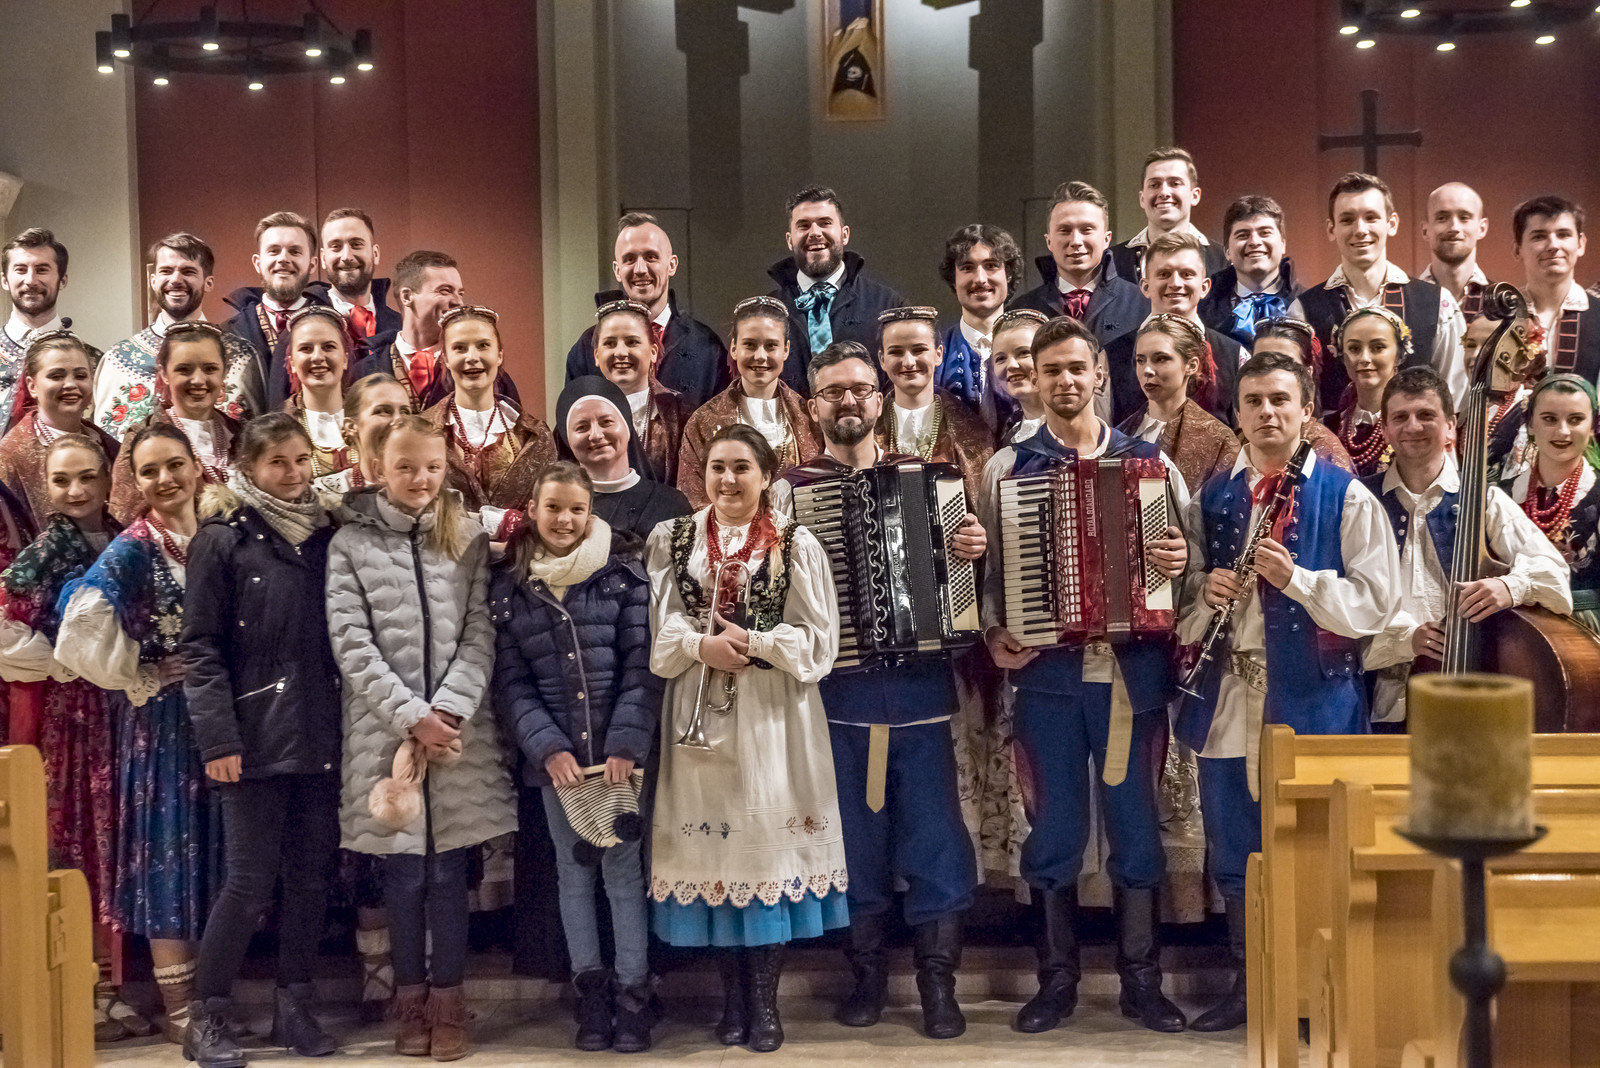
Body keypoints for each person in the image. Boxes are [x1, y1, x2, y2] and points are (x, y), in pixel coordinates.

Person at [977, 316, 1190, 1035]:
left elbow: (1188, 567)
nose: (1066, 381)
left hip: (1133, 676)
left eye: (1077, 368)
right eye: (1052, 370)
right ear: (1033, 381)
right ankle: (1056, 982)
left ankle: (1142, 983)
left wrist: (1176, 563)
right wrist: (994, 630)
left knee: (1136, 830)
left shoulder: (1153, 464)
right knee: (1054, 829)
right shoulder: (1009, 468)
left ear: (1100, 374)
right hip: (1049, 678)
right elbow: (987, 577)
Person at [1177, 350, 1400, 1032]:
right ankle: (1253, 988)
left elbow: (1376, 605)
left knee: (1315, 849)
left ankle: (1316, 993)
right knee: (1237, 848)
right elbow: (1181, 595)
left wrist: (1298, 581)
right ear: (1237, 413)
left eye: (1281, 400)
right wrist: (1205, 592)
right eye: (1254, 401)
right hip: (1229, 696)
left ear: (1307, 411)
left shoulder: (1346, 495)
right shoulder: (1214, 496)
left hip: (1315, 696)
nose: (1267, 412)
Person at [779, 341, 986, 1040]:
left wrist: (969, 555)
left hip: (922, 697)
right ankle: (865, 976)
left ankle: (938, 984)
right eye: (832, 391)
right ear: (814, 405)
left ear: (879, 398)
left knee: (937, 844)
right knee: (854, 847)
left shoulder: (928, 478)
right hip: (838, 703)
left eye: (859, 389)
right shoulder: (790, 490)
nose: (847, 401)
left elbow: (964, 590)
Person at [646, 424, 847, 1054]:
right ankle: (731, 1001)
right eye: (717, 467)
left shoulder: (795, 542)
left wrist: (756, 642)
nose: (728, 480)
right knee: (717, 860)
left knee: (764, 856)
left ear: (766, 476)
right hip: (697, 706)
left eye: (741, 468)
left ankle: (764, 1004)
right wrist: (698, 645)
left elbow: (819, 644)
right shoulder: (673, 539)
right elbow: (660, 633)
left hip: (773, 715)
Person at [326, 414, 517, 1060]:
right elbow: (351, 643)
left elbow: (479, 631)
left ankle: (450, 1002)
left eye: (432, 467)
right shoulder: (350, 543)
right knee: (404, 875)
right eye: (405, 466)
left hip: (457, 734)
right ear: (378, 465)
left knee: (448, 873)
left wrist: (451, 711)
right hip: (387, 733)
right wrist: (412, 717)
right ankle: (410, 1004)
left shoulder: (464, 536)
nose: (420, 478)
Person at [180, 414, 343, 1066]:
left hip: (320, 728)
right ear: (247, 469)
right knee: (248, 883)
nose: (295, 473)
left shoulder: (326, 534)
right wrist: (218, 740)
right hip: (250, 735)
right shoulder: (222, 540)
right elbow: (201, 648)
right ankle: (207, 1015)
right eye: (278, 462)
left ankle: (293, 1005)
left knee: (310, 878)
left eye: (302, 459)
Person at [491, 462, 663, 1053]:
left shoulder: (623, 577)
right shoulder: (512, 587)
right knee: (574, 874)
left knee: (624, 875)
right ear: (532, 512)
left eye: (577, 509)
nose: (564, 519)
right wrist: (547, 748)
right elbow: (511, 684)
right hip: (557, 767)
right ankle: (590, 993)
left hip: (619, 761)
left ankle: (634, 993)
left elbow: (643, 667)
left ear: (592, 514)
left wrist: (625, 743)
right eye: (553, 508)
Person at [56, 423, 214, 1044]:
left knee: (216, 857)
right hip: (163, 726)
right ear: (136, 482)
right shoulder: (133, 548)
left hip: (221, 720)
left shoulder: (216, 532)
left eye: (174, 465)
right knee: (170, 856)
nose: (165, 479)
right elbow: (79, 629)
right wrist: (140, 672)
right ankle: (181, 1010)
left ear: (195, 465)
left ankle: (212, 1000)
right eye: (150, 471)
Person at [0, 435, 133, 1040]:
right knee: (79, 839)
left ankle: (113, 985)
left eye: (87, 477)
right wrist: (62, 662)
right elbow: (6, 632)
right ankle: (79, 986)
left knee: (118, 845)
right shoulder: (44, 553)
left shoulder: (128, 537)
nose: (76, 491)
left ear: (107, 479)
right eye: (62, 480)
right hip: (74, 721)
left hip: (126, 711)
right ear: (46, 487)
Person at [1363, 368, 1570, 729]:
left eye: (1426, 415)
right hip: (1378, 701)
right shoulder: (1359, 500)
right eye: (1400, 417)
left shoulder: (1484, 500)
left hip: (1473, 690)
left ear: (1449, 427)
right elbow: (1339, 604)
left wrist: (1509, 586)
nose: (1413, 426)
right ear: (1385, 429)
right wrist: (1405, 640)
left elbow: (1556, 574)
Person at [1292, 172, 1464, 412]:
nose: (1360, 229)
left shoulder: (1438, 304)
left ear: (1391, 224)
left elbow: (1456, 402)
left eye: (1371, 217)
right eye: (1347, 220)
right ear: (1331, 229)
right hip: (1332, 437)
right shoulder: (1302, 311)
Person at [95, 232, 264, 438]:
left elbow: (260, 439)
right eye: (166, 271)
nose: (175, 279)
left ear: (208, 282)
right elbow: (105, 445)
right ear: (153, 281)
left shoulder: (243, 356)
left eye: (188, 271)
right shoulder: (117, 360)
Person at [565, 212, 731, 409]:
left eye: (651, 257)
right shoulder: (588, 346)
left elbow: (722, 423)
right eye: (629, 259)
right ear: (617, 270)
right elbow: (571, 422)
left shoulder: (707, 347)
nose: (640, 269)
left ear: (672, 265)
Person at [677, 296, 823, 508]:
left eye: (771, 346)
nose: (760, 356)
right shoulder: (703, 421)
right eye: (750, 345)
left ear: (786, 350)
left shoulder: (809, 418)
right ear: (734, 348)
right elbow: (693, 498)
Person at [425, 305, 557, 536]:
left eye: (483, 345)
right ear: (445, 359)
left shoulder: (535, 436)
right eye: (459, 348)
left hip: (519, 555)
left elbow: (551, 509)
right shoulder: (422, 430)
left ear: (499, 355)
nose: (472, 357)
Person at [767, 185, 906, 392]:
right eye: (803, 226)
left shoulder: (888, 306)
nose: (815, 233)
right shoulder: (768, 313)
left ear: (844, 234)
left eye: (825, 223)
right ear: (790, 240)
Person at [1103, 232, 1244, 426]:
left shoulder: (1235, 356)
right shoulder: (1111, 356)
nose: (1176, 283)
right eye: (1164, 274)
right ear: (1145, 287)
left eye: (1187, 274)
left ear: (1204, 287)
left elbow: (1245, 434)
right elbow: (1101, 433)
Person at [109, 321, 241, 524]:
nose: (198, 380)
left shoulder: (245, 435)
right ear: (164, 373)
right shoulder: (141, 439)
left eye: (210, 369)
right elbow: (125, 519)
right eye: (184, 369)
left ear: (225, 371)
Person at [1500, 374, 1600, 636]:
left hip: (1581, 635)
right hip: (1508, 633)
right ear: (1530, 424)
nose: (1563, 431)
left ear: (1592, 426)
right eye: (1549, 419)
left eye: (1575, 419)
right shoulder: (1502, 495)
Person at [1010, 181, 1146, 358]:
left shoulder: (1141, 304)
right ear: (1048, 241)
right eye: (1064, 230)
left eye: (1086, 230)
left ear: (1106, 239)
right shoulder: (1023, 311)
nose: (1075, 241)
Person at [0, 330, 119, 525]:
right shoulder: (10, 458)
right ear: (32, 386)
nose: (70, 384)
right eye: (56, 376)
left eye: (80, 375)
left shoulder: (110, 447)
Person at [875, 306, 994, 501]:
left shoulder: (974, 432)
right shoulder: (868, 431)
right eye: (896, 352)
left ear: (939, 354)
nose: (908, 362)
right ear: (882, 360)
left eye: (919, 350)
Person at [1116, 315, 1239, 495]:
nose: (1147, 370)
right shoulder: (1121, 434)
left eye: (1161, 359)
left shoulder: (1219, 440)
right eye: (1141, 360)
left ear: (1191, 365)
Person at [555, 375, 691, 538]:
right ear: (567, 439)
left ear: (627, 427)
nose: (596, 435)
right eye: (582, 427)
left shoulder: (671, 504)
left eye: (606, 422)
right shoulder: (555, 507)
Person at [222, 211, 330, 408]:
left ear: (313, 264)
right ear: (257, 263)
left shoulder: (335, 329)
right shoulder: (227, 335)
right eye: (273, 251)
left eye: (295, 252)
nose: (283, 259)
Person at [2, 228, 103, 428]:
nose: (30, 280)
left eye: (42, 270)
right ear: (5, 280)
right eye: (20, 270)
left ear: (62, 280)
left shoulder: (94, 362)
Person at [589, 298, 692, 486]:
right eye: (610, 343)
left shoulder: (680, 414)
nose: (620, 352)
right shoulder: (579, 415)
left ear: (653, 352)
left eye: (632, 342)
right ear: (597, 355)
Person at [350, 250, 467, 408]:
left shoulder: (474, 367)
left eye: (460, 293)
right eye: (445, 291)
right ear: (406, 297)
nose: (458, 302)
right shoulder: (362, 371)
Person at [934, 223, 1021, 421]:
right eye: (967, 268)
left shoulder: (1036, 348)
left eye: (991, 266)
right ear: (953, 278)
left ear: (1008, 274)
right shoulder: (934, 355)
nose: (980, 279)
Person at [1513, 195, 1600, 383]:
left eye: (1563, 234)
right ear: (1517, 249)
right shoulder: (1499, 318)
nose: (1553, 245)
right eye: (1539, 236)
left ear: (1580, 244)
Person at [1108, 147, 1227, 284]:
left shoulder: (1223, 261)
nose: (1164, 192)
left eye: (1175, 183)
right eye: (1154, 185)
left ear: (1194, 196)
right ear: (1142, 198)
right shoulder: (1111, 261)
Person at [1249, 318, 1354, 471]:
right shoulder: (1243, 433)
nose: (1271, 373)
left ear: (1307, 373)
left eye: (1285, 365)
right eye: (1261, 363)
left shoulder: (1324, 449)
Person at [1198, 195, 1300, 348]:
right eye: (1243, 235)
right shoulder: (1202, 310)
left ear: (1283, 244)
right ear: (1227, 251)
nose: (1254, 242)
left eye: (1265, 233)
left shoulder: (1307, 304)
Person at [309, 207, 399, 356]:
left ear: (375, 254)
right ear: (323, 259)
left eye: (356, 245)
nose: (346, 256)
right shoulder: (302, 325)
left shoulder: (401, 329)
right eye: (336, 247)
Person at [1330, 307, 1408, 478]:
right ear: (1342, 356)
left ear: (1398, 355)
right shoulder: (1328, 427)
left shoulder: (1412, 424)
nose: (1365, 358)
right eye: (1354, 349)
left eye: (1378, 347)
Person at [281, 306, 356, 484]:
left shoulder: (368, 418)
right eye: (306, 349)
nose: (317, 357)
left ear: (345, 359)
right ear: (292, 363)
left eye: (328, 347)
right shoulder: (278, 431)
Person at [313, 372, 414, 500]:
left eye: (405, 412)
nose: (398, 420)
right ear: (351, 427)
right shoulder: (324, 496)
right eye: (383, 411)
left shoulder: (429, 489)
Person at [1419, 183, 1492, 322]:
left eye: (1464, 218)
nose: (1454, 227)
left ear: (1482, 228)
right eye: (1442, 218)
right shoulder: (1405, 300)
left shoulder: (1503, 302)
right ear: (1425, 230)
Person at [990, 308, 1049, 444]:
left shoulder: (1082, 426)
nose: (1011, 365)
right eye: (1000, 359)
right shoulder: (1008, 439)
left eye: (1023, 353)